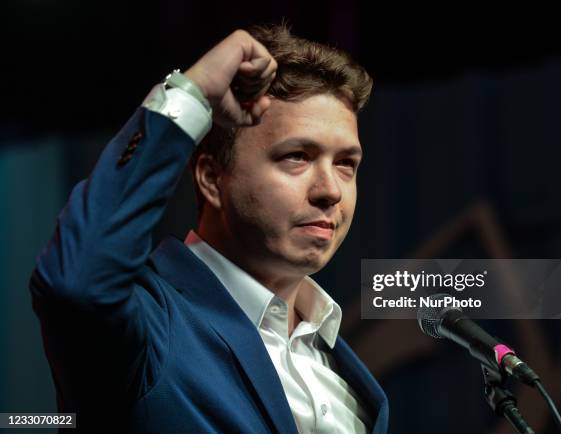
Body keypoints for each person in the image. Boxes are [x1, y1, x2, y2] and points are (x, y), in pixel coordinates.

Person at [30, 24, 388, 433]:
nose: (330, 191)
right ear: (211, 178)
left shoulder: (353, 385)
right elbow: (77, 281)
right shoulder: (152, 329)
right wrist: (191, 93)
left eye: (346, 164)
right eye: (297, 156)